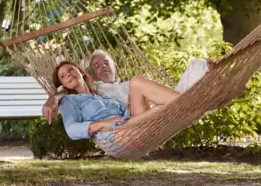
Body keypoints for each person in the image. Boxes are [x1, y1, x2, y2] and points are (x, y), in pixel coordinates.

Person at [42, 49, 214, 123]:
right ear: (91, 73)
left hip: (161, 108)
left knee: (196, 64)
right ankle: (195, 101)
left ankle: (215, 77)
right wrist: (52, 99)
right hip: (137, 121)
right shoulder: (93, 89)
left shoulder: (126, 85)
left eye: (105, 62)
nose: (102, 65)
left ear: (114, 66)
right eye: (96, 65)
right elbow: (64, 89)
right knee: (137, 83)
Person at [53, 61, 181, 141]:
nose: (68, 74)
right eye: (63, 76)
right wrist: (101, 124)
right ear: (63, 84)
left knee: (139, 87)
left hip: (131, 123)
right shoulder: (68, 101)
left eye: (71, 69)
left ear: (81, 72)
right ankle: (183, 101)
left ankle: (182, 101)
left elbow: (125, 113)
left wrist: (130, 103)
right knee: (138, 84)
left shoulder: (101, 96)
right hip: (118, 135)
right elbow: (71, 130)